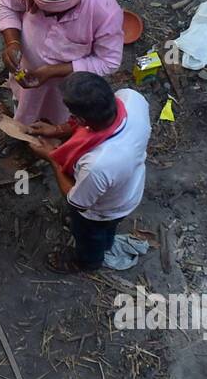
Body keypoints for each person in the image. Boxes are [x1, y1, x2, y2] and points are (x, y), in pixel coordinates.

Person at [24, 71, 150, 272]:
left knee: (90, 235)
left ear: (82, 120)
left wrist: (52, 158)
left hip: (103, 209)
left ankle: (86, 262)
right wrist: (57, 130)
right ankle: (104, 241)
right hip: (129, 186)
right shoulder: (131, 99)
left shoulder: (98, 165)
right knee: (104, 230)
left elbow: (77, 202)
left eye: (73, 116)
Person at [0, 0, 125, 127]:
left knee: (57, 118)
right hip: (26, 69)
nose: (45, 16)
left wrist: (53, 71)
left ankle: (49, 134)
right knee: (22, 102)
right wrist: (12, 43)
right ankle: (21, 127)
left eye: (53, 14)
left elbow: (109, 62)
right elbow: (8, 5)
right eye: (40, 9)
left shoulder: (104, 12)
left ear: (74, 5)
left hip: (64, 87)